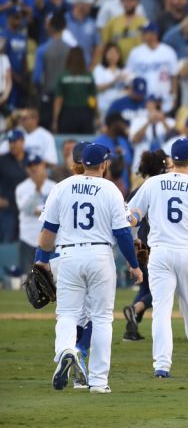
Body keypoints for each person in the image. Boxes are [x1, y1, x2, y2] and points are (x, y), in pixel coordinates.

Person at [38, 143, 143, 394]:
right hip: (99, 254)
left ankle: (67, 350)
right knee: (102, 319)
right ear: (104, 164)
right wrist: (134, 265)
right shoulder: (110, 189)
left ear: (82, 162)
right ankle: (98, 382)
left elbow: (47, 232)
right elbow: (122, 233)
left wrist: (42, 259)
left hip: (69, 254)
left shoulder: (61, 187)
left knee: (67, 314)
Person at [128, 138, 188, 377]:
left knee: (161, 309)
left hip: (160, 252)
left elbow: (132, 215)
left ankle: (161, 365)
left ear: (172, 160)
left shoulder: (153, 183)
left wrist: (132, 235)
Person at [122, 148, 167, 342]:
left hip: (138, 244)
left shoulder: (137, 190)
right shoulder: (159, 187)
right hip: (153, 245)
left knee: (145, 289)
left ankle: (131, 330)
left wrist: (130, 248)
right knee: (161, 290)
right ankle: (135, 309)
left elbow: (125, 217)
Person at [126, 22, 179, 113]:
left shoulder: (168, 51)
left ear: (154, 34)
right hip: (142, 98)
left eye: (145, 32)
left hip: (164, 98)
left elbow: (174, 76)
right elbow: (128, 75)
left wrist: (174, 97)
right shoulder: (136, 52)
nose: (143, 35)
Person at [15, 154, 55, 270]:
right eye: (30, 165)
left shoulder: (54, 186)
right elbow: (24, 208)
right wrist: (37, 189)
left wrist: (38, 211)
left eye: (36, 165)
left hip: (48, 236)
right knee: (27, 276)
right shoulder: (21, 187)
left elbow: (56, 210)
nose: (33, 168)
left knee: (49, 276)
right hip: (28, 236)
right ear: (26, 169)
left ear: (43, 166)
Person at [52, 47, 97, 134]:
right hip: (85, 113)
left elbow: (59, 100)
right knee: (86, 143)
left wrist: (55, 120)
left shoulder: (63, 76)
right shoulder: (88, 76)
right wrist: (96, 115)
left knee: (67, 141)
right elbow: (92, 99)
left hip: (68, 114)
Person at [0, 130, 27, 242]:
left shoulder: (31, 159)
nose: (12, 144)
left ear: (22, 142)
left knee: (27, 241)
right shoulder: (2, 160)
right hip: (8, 206)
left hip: (26, 207)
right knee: (7, 240)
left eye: (15, 141)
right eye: (10, 142)